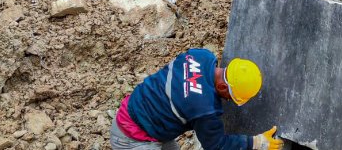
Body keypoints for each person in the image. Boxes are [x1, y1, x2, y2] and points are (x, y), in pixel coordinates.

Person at [110, 48, 283, 150]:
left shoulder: (201, 56)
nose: (229, 101)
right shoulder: (205, 107)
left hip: (134, 111)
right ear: (223, 87)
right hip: (131, 138)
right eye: (231, 97)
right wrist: (255, 143)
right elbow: (216, 145)